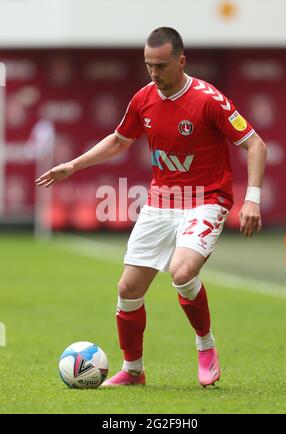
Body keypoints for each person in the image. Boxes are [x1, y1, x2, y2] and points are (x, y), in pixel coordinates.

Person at [36, 27, 267, 387]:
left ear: (181, 60)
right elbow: (118, 140)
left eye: (160, 65)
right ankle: (133, 371)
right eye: (148, 65)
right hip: (162, 202)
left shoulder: (209, 100)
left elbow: (256, 145)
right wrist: (73, 166)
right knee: (128, 289)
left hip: (206, 199)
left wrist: (252, 197)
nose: (154, 73)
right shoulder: (143, 98)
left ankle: (205, 345)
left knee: (182, 271)